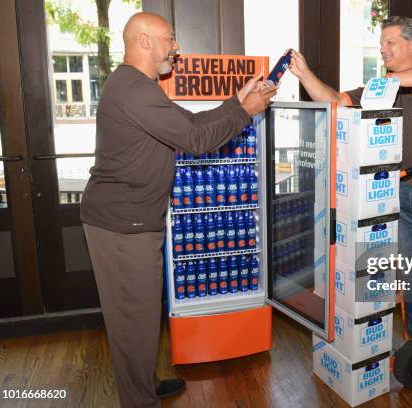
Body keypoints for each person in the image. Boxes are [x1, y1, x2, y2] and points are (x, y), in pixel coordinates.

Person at [80, 12, 276, 408]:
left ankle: (143, 387)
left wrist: (237, 100)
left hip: (130, 222)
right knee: (133, 323)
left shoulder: (138, 87)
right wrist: (245, 112)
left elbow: (191, 121)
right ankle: (139, 400)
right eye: (170, 38)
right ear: (144, 41)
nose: (176, 47)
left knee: (141, 319)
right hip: (122, 227)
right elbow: (196, 139)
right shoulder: (134, 89)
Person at [289, 16, 412, 402]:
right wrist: (304, 74)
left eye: (390, 43)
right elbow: (334, 102)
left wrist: (395, 81)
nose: (383, 49)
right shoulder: (379, 87)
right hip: (402, 191)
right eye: (381, 43)